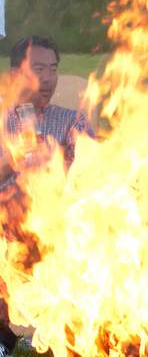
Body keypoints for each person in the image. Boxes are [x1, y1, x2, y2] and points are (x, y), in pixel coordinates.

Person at [0, 35, 95, 357]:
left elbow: (95, 177)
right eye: (38, 69)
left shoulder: (72, 121)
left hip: (58, 219)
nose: (48, 78)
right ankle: (3, 336)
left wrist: (56, 167)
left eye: (53, 69)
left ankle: (64, 332)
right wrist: (11, 160)